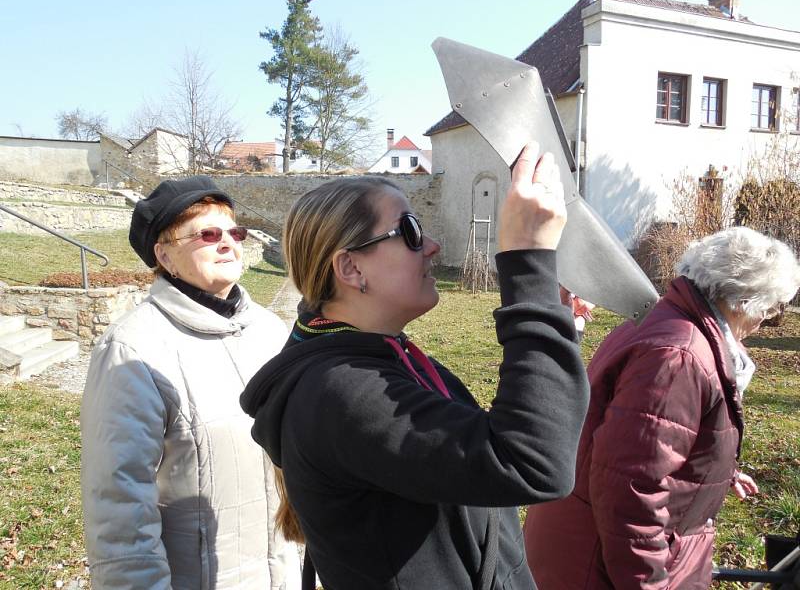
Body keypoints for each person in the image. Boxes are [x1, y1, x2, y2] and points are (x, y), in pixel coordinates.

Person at [240, 143, 590, 590]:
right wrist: (528, 268)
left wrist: (553, 318)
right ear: (350, 268)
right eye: (409, 231)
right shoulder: (342, 392)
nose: (431, 246)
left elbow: (511, 442)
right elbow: (532, 462)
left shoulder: (388, 360)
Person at [524, 227, 800, 589]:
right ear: (742, 300)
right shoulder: (679, 356)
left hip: (592, 542)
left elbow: (651, 440)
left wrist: (716, 470)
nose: (767, 319)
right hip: (598, 564)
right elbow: (630, 490)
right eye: (772, 308)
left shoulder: (668, 320)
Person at [81, 176, 301, 589]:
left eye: (235, 231)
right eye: (207, 233)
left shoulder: (271, 332)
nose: (228, 242)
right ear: (164, 255)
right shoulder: (133, 350)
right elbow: (119, 508)